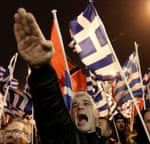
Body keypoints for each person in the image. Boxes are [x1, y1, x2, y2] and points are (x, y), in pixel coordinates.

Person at [14, 7, 109, 144]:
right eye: (74, 106)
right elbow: (52, 114)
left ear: (96, 116)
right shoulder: (69, 139)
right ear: (69, 117)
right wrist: (41, 70)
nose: (79, 107)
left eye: (86, 103)